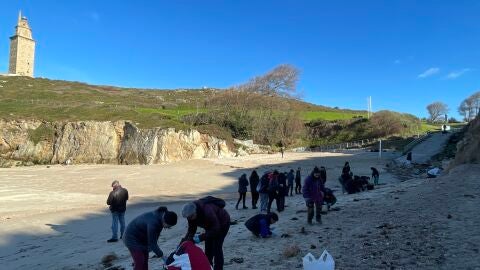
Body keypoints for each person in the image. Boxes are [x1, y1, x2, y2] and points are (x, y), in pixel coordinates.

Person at [182, 196, 230, 270]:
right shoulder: (190, 215)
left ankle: (218, 268)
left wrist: (200, 238)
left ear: (195, 212)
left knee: (217, 248)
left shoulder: (207, 211)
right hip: (210, 226)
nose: (189, 219)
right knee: (208, 248)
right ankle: (208, 267)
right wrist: (186, 240)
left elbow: (216, 229)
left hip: (222, 224)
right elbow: (191, 229)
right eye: (188, 218)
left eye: (190, 217)